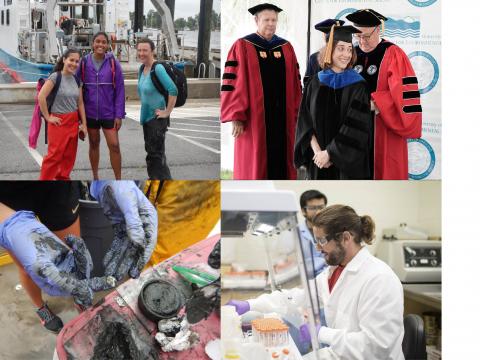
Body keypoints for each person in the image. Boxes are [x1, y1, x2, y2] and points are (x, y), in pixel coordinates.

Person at [227, 205, 405, 359]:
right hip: (340, 354)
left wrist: (321, 333)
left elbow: (377, 348)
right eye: (316, 241)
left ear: (346, 238)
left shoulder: (379, 280)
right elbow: (298, 297)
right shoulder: (335, 270)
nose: (318, 248)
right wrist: (250, 304)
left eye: (322, 241)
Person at [0, 181, 157, 333]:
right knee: (29, 265)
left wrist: (108, 179)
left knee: (73, 256)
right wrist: (11, 225)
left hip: (57, 185)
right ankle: (40, 307)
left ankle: (80, 300)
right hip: (6, 197)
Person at [220, 3, 302, 180]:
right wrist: (237, 116)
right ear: (256, 20)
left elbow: (296, 84)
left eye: (274, 20)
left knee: (284, 166)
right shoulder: (242, 46)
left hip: (284, 120)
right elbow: (233, 83)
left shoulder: (286, 47)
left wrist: (297, 113)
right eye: (267, 20)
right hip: (254, 122)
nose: (271, 24)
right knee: (255, 167)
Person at [346, 9, 422, 180]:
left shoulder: (393, 53)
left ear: (379, 29)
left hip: (383, 125)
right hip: (354, 126)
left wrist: (378, 103)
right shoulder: (351, 53)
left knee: (384, 170)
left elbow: (403, 92)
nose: (362, 41)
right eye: (358, 37)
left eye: (366, 36)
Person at [294, 25, 372, 180]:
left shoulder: (358, 85)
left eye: (350, 49)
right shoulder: (316, 82)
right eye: (341, 49)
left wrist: (329, 154)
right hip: (318, 162)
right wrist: (318, 153)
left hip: (347, 166)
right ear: (330, 50)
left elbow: (356, 128)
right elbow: (305, 121)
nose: (346, 54)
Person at [78, 31, 126, 180]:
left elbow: (120, 90)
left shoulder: (113, 63)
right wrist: (80, 118)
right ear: (93, 44)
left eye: (103, 42)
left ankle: (118, 179)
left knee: (114, 146)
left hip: (109, 113)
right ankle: (95, 177)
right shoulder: (84, 62)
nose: (100, 44)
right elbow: (76, 88)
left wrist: (119, 114)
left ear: (107, 45)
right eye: (97, 41)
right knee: (93, 144)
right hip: (90, 113)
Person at [38, 48, 87, 180]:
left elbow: (80, 103)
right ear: (64, 60)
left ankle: (63, 180)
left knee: (68, 157)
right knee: (54, 156)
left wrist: (84, 124)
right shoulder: (55, 77)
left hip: (73, 121)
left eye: (77, 61)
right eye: (71, 60)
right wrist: (48, 117)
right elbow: (41, 96)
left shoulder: (77, 80)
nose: (74, 64)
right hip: (59, 121)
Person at [136, 38, 178, 180]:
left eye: (145, 50)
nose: (141, 53)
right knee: (154, 155)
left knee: (155, 156)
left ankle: (161, 183)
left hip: (156, 120)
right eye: (139, 50)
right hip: (147, 119)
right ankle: (156, 180)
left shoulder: (157, 68)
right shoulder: (142, 69)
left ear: (152, 51)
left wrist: (167, 112)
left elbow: (173, 89)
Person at [303, 19, 345, 86]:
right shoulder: (314, 58)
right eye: (330, 35)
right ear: (324, 35)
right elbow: (307, 83)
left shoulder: (346, 57)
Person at [299, 190, 328, 278]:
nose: (318, 211)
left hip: (328, 279)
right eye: (313, 208)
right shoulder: (294, 232)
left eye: (321, 207)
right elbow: (291, 263)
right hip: (304, 282)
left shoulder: (332, 230)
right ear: (303, 211)